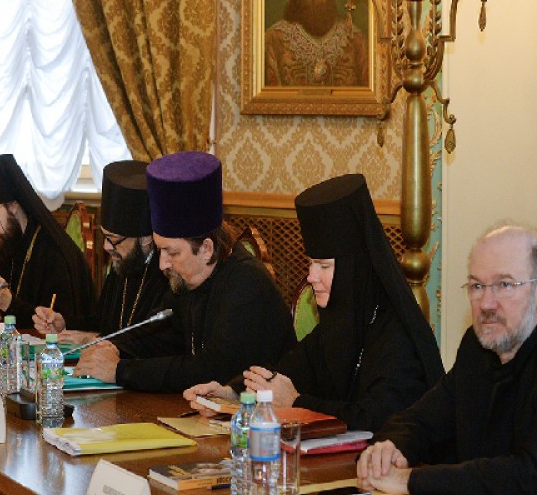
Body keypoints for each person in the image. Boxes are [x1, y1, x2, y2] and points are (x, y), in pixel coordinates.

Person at [185, 174, 444, 431]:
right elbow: (285, 373)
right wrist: (232, 395)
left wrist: (297, 403)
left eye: (324, 266)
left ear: (354, 271)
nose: (311, 277)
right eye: (311, 264)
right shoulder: (336, 326)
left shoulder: (398, 338)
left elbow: (376, 418)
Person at [357, 224, 537, 495]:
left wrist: (410, 480)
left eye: (505, 285)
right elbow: (421, 420)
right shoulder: (477, 348)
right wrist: (390, 447)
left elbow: (528, 477)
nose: (486, 304)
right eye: (477, 286)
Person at [73, 151, 295, 392]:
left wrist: (120, 371)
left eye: (172, 252)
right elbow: (160, 338)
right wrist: (114, 348)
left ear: (206, 249)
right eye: (160, 250)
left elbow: (211, 370)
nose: (163, 264)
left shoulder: (247, 284)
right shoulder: (189, 278)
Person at [32, 160, 178, 359]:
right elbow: (103, 321)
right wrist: (64, 324)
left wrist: (93, 340)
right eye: (105, 236)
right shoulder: (124, 262)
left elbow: (156, 345)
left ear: (145, 238)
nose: (107, 247)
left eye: (114, 239)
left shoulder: (169, 273)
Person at [0, 154, 94, 331]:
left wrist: (9, 304)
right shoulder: (4, 243)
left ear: (13, 206)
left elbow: (58, 325)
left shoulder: (53, 254)